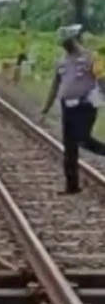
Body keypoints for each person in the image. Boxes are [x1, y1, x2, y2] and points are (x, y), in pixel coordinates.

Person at [41, 24, 105, 194]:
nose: (66, 46)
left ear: (75, 40)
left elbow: (102, 79)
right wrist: (45, 109)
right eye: (63, 43)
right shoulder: (62, 62)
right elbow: (55, 86)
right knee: (69, 148)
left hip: (86, 105)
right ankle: (72, 186)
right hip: (67, 107)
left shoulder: (91, 57)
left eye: (68, 42)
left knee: (82, 138)